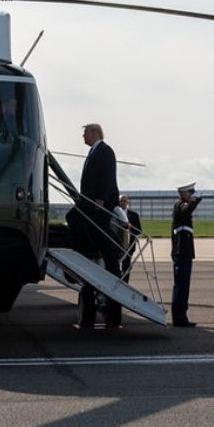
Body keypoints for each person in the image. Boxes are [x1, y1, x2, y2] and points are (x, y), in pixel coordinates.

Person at [77, 123, 123, 327]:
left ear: (94, 133)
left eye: (85, 133)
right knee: (78, 221)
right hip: (89, 201)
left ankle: (110, 263)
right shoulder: (94, 152)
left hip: (98, 202)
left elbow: (107, 176)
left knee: (101, 235)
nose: (83, 137)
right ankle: (90, 250)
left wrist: (101, 198)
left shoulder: (105, 151)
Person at [169, 182, 201, 327]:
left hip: (184, 251)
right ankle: (179, 317)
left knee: (183, 285)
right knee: (181, 285)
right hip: (181, 251)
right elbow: (188, 208)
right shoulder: (180, 206)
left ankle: (181, 316)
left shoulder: (182, 206)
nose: (192, 194)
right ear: (184, 193)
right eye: (191, 192)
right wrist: (196, 200)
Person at [118, 195, 143, 283]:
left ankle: (125, 283)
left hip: (129, 246)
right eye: (121, 201)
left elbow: (139, 230)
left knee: (126, 266)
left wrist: (130, 228)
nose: (123, 203)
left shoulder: (134, 215)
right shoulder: (114, 214)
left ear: (127, 202)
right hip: (117, 244)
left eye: (124, 201)